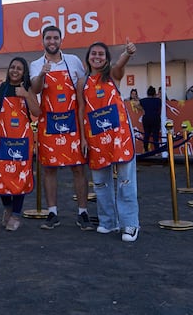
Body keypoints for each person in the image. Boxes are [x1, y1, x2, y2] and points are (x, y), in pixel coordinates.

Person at [30, 25, 92, 231]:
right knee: (49, 169)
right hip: (49, 123)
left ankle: (83, 212)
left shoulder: (73, 61)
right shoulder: (36, 64)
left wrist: (84, 134)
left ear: (61, 40)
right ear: (42, 41)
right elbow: (36, 90)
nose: (52, 41)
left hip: (72, 123)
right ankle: (52, 212)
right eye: (48, 38)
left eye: (55, 38)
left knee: (78, 168)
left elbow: (82, 94)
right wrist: (42, 74)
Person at [77, 39, 140, 242]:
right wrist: (83, 138)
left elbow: (121, 64)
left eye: (101, 54)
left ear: (106, 58)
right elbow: (81, 109)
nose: (97, 56)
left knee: (125, 180)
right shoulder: (82, 82)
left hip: (119, 133)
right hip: (95, 136)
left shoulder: (113, 74)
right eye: (93, 53)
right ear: (88, 57)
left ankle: (130, 224)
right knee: (101, 182)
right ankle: (108, 221)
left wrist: (128, 53)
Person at [0, 57, 41, 231]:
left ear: (24, 72)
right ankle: (7, 207)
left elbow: (37, 112)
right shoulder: (1, 89)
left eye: (19, 68)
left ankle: (16, 214)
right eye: (12, 67)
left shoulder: (28, 88)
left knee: (20, 176)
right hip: (2, 139)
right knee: (1, 175)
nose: (15, 70)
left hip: (22, 140)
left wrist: (26, 95)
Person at [140, 85, 161, 153]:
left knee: (146, 134)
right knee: (155, 135)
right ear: (154, 93)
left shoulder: (143, 100)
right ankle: (157, 151)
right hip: (155, 118)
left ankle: (146, 150)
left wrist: (142, 109)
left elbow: (135, 104)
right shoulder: (158, 100)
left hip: (146, 118)